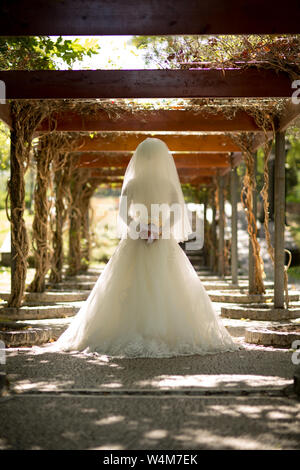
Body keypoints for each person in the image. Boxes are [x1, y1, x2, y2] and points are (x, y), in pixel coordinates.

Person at [46, 138, 241, 358]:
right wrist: (160, 231)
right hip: (163, 242)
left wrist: (140, 229)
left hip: (135, 242)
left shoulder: (132, 184)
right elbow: (178, 212)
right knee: (167, 283)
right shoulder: (168, 184)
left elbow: (123, 215)